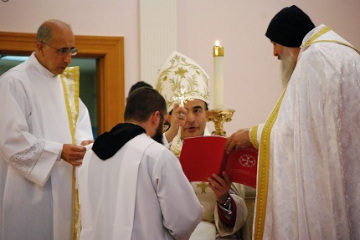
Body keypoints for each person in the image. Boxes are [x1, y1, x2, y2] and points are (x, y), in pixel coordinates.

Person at [226, 5, 360, 240]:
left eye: (275, 43)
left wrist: (251, 135)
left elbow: (298, 134)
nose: (274, 53)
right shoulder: (346, 54)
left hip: (327, 187)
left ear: (289, 38)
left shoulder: (314, 59)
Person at [0, 19, 93, 240]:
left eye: (72, 50)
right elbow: (12, 141)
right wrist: (59, 151)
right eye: (62, 50)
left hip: (67, 190)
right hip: (28, 193)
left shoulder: (67, 86)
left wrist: (84, 144)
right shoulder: (13, 83)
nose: (68, 58)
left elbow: (81, 125)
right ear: (40, 46)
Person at [77, 87, 202, 240]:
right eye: (163, 123)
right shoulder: (157, 155)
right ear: (156, 117)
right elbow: (185, 219)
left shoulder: (89, 154)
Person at [155, 51, 249, 240]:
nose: (190, 119)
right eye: (182, 112)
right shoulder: (158, 151)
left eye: (197, 110)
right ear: (170, 117)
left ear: (207, 114)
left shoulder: (223, 149)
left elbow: (238, 217)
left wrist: (223, 198)